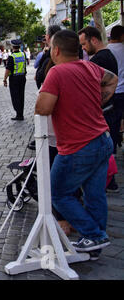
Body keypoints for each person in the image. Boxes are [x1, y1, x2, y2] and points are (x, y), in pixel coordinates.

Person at [35, 29, 117, 254]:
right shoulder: (91, 67)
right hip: (102, 139)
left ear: (56, 50)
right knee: (94, 195)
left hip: (78, 146)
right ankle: (96, 245)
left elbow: (43, 108)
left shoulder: (57, 72)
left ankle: (93, 234)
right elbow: (112, 79)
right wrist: (95, 102)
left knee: (58, 193)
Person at [78, 26, 119, 193]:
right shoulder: (105, 55)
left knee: (102, 150)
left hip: (105, 111)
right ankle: (109, 181)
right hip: (108, 109)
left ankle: (106, 181)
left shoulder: (99, 60)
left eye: (84, 44)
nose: (83, 48)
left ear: (93, 40)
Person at [107, 25, 124, 150]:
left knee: (112, 122)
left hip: (111, 91)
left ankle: (112, 150)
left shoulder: (106, 50)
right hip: (122, 90)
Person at [3, 40, 27, 121]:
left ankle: (18, 114)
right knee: (21, 96)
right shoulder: (23, 54)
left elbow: (8, 70)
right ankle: (21, 114)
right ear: (19, 47)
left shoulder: (12, 57)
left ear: (12, 47)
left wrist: (4, 79)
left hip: (14, 79)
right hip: (22, 78)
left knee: (15, 96)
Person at [36, 25, 62, 89]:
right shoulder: (62, 51)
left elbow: (40, 76)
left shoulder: (50, 57)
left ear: (48, 37)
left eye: (46, 34)